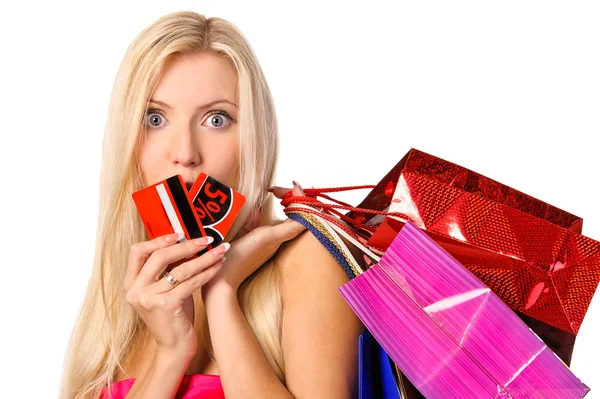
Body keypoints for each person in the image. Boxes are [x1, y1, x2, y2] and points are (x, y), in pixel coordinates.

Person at [59, 10, 366, 399]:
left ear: (255, 137)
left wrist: (221, 296)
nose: (185, 154)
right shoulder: (117, 309)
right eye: (155, 119)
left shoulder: (303, 261)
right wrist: (170, 355)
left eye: (217, 120)